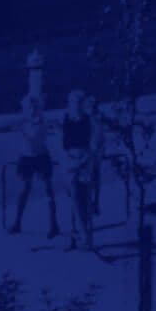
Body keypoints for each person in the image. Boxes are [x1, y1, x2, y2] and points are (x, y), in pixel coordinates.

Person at [11, 69, 59, 239]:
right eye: (28, 107)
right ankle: (17, 222)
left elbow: (33, 138)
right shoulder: (25, 121)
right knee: (24, 189)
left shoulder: (41, 123)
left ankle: (54, 224)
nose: (31, 109)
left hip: (40, 156)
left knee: (48, 190)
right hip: (27, 157)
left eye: (34, 107)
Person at [61, 89, 95, 251]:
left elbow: (91, 143)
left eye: (79, 102)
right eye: (73, 102)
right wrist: (71, 160)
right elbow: (64, 144)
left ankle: (84, 234)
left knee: (84, 198)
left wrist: (84, 160)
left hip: (85, 159)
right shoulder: (66, 119)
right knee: (74, 196)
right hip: (70, 160)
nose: (76, 105)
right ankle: (83, 234)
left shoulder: (88, 120)